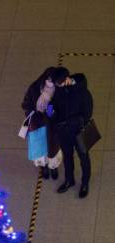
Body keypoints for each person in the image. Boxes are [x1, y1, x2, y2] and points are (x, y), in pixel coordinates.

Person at [50, 66, 93, 198]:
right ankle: (70, 180)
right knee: (67, 157)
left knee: (84, 158)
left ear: (67, 79)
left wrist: (74, 121)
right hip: (64, 131)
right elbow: (53, 105)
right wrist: (50, 112)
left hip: (79, 130)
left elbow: (87, 113)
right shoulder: (59, 90)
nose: (58, 86)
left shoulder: (82, 92)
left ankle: (85, 183)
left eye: (60, 83)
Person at [22, 67, 62, 180]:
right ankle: (43, 166)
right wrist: (32, 113)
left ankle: (53, 167)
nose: (49, 82)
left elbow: (61, 109)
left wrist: (51, 112)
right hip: (36, 123)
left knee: (52, 147)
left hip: (51, 125)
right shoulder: (35, 88)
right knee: (40, 147)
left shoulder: (59, 91)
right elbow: (26, 103)